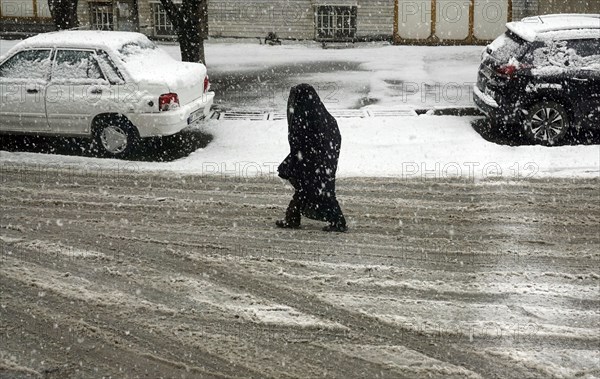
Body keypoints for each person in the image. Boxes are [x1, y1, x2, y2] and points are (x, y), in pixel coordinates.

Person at [276, 83, 347, 232]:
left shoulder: (306, 119)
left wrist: (298, 160)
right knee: (310, 189)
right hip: (318, 160)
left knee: (312, 190)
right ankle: (292, 218)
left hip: (312, 160)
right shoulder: (323, 116)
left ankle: (338, 221)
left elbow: (302, 142)